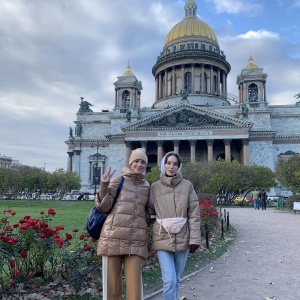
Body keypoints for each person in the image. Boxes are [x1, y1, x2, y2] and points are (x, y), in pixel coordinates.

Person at [95, 148, 150, 300]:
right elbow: (104, 206)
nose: (139, 165)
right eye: (136, 161)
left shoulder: (146, 186)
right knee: (112, 288)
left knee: (135, 289)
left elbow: (146, 212)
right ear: (131, 162)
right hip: (113, 237)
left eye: (143, 162)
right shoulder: (119, 180)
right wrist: (104, 185)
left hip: (135, 240)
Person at [147, 151, 201, 300]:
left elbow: (194, 213)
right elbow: (149, 212)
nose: (171, 167)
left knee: (176, 279)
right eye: (168, 163)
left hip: (183, 235)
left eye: (175, 164)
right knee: (169, 280)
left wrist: (195, 239)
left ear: (179, 166)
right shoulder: (155, 187)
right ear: (163, 164)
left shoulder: (187, 185)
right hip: (162, 235)